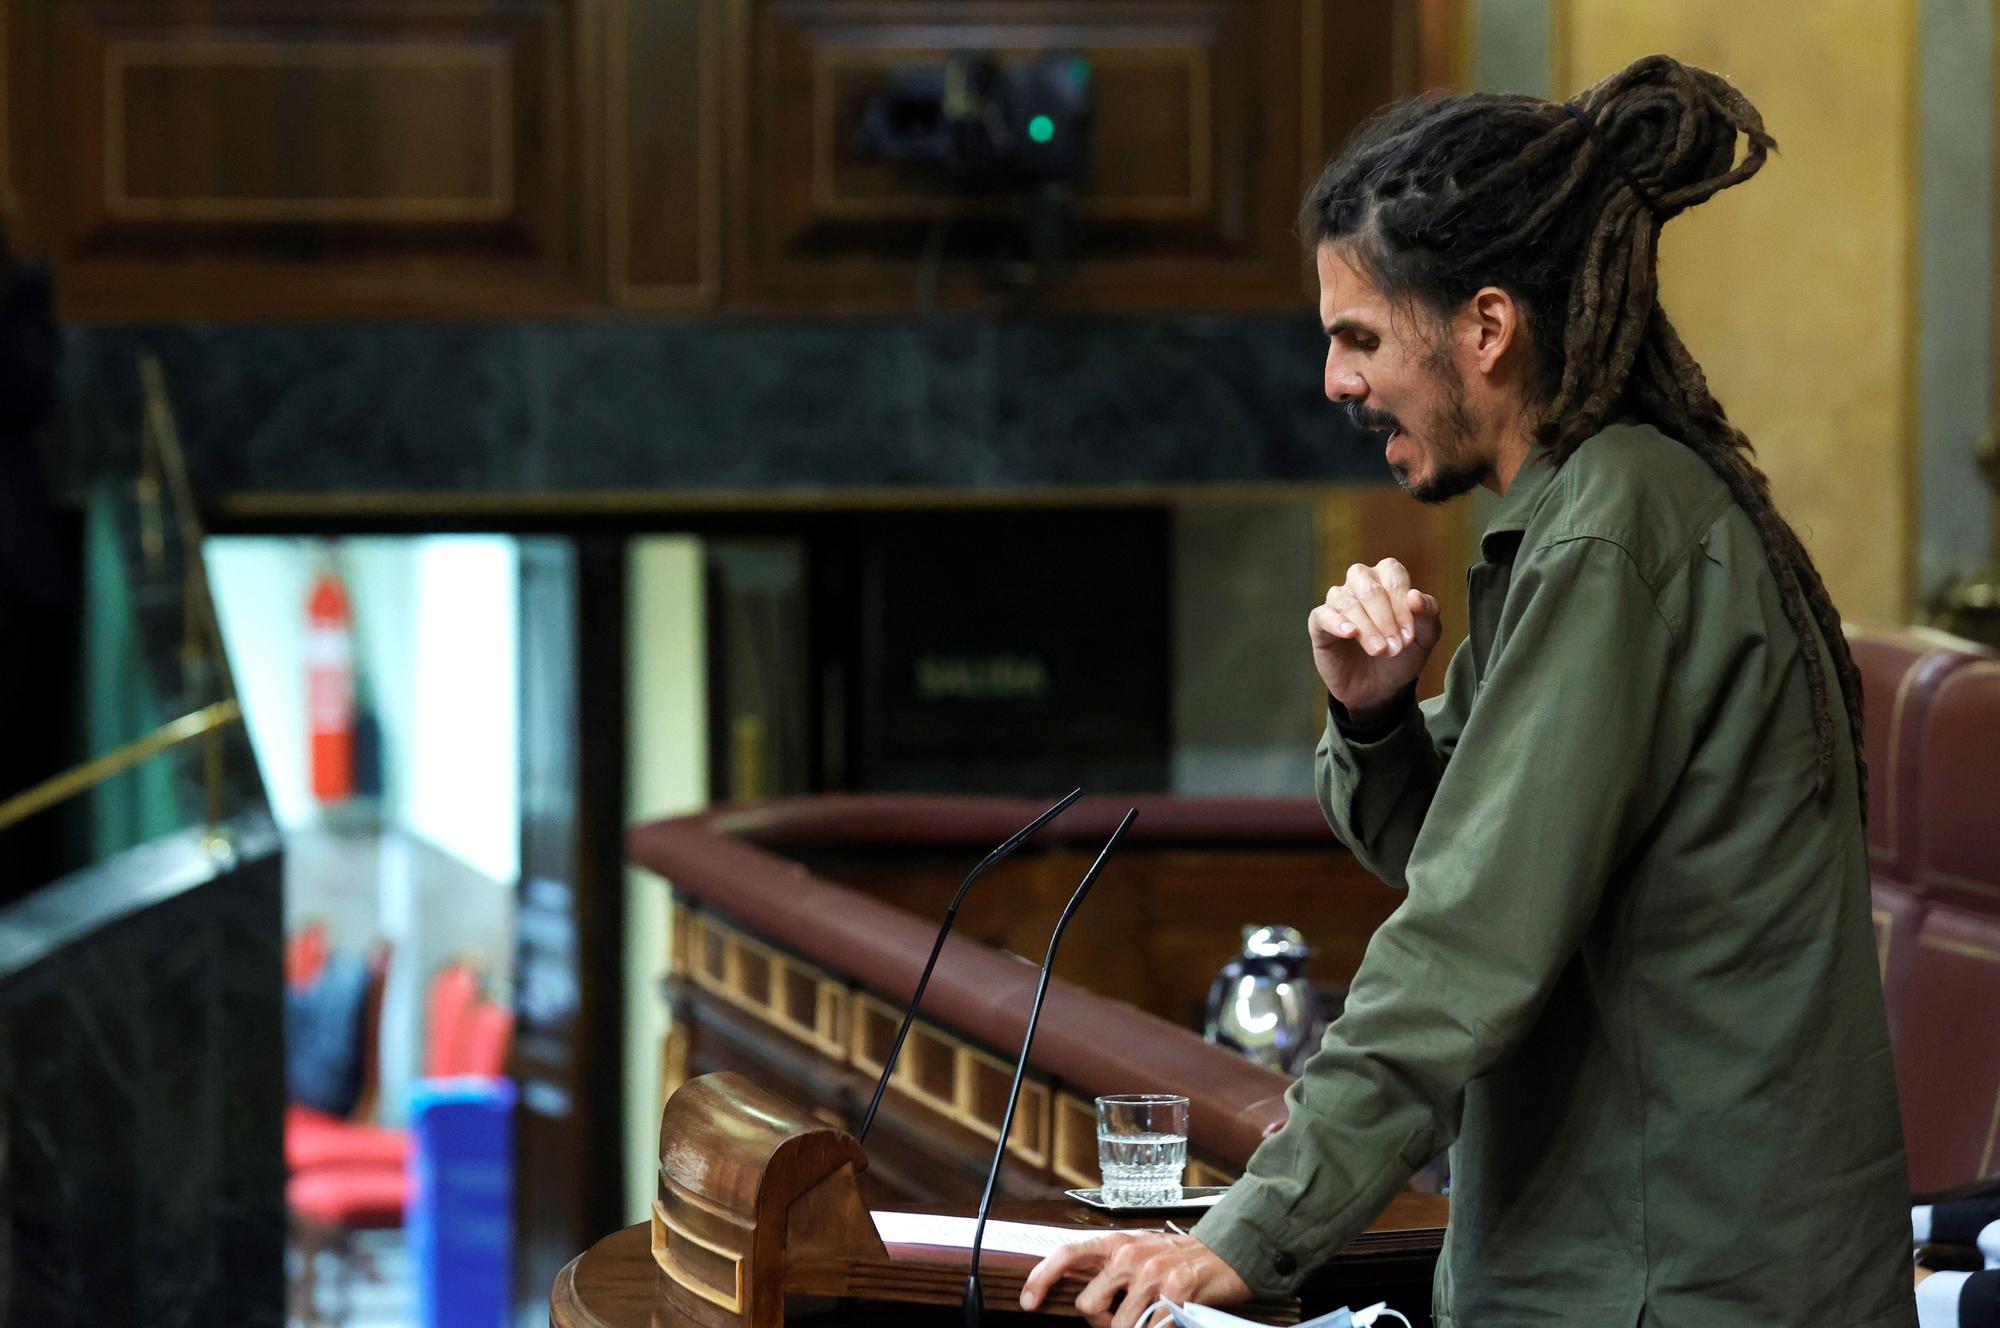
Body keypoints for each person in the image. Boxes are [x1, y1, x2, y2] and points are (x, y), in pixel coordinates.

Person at [1022, 54, 1914, 1328]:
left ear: (1484, 327)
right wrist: (1375, 718)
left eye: (1358, 337)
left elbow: (1467, 940)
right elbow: (1473, 850)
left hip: (1675, 1292)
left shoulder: (1613, 530)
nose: (1335, 381)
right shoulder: (1583, 514)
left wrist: (1245, 1235)